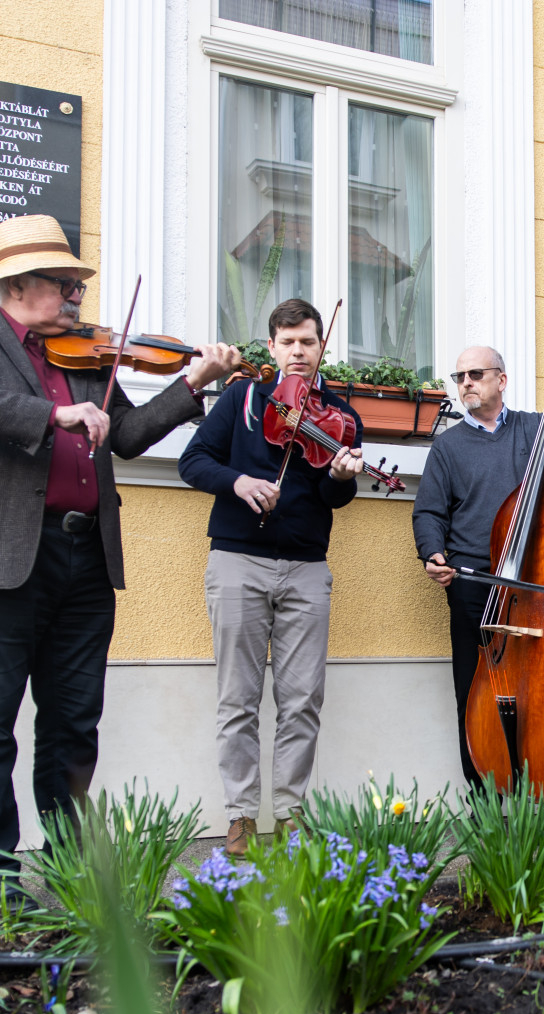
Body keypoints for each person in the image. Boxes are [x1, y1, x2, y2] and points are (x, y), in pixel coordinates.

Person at [0, 215, 240, 905]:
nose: (74, 297)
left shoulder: (85, 357)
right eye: (63, 285)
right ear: (17, 285)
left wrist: (193, 383)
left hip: (85, 555)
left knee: (72, 723)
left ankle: (69, 868)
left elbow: (126, 435)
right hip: (1, 553)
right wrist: (51, 415)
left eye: (76, 286)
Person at [178, 299, 365, 856]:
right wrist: (237, 483)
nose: (298, 352)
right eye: (288, 342)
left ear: (321, 345)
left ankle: (289, 813)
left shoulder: (339, 415)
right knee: (237, 697)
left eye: (307, 341)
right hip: (238, 561)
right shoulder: (242, 398)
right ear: (272, 347)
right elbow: (193, 462)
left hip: (307, 567)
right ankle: (240, 815)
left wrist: (341, 477)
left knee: (302, 698)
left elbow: (334, 497)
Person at [411, 340, 544, 838]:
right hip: (476, 583)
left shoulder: (536, 429)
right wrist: (433, 553)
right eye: (459, 377)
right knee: (474, 692)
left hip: (538, 585)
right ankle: (483, 798)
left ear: (501, 379)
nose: (466, 384)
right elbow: (429, 511)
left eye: (475, 374)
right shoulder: (448, 447)